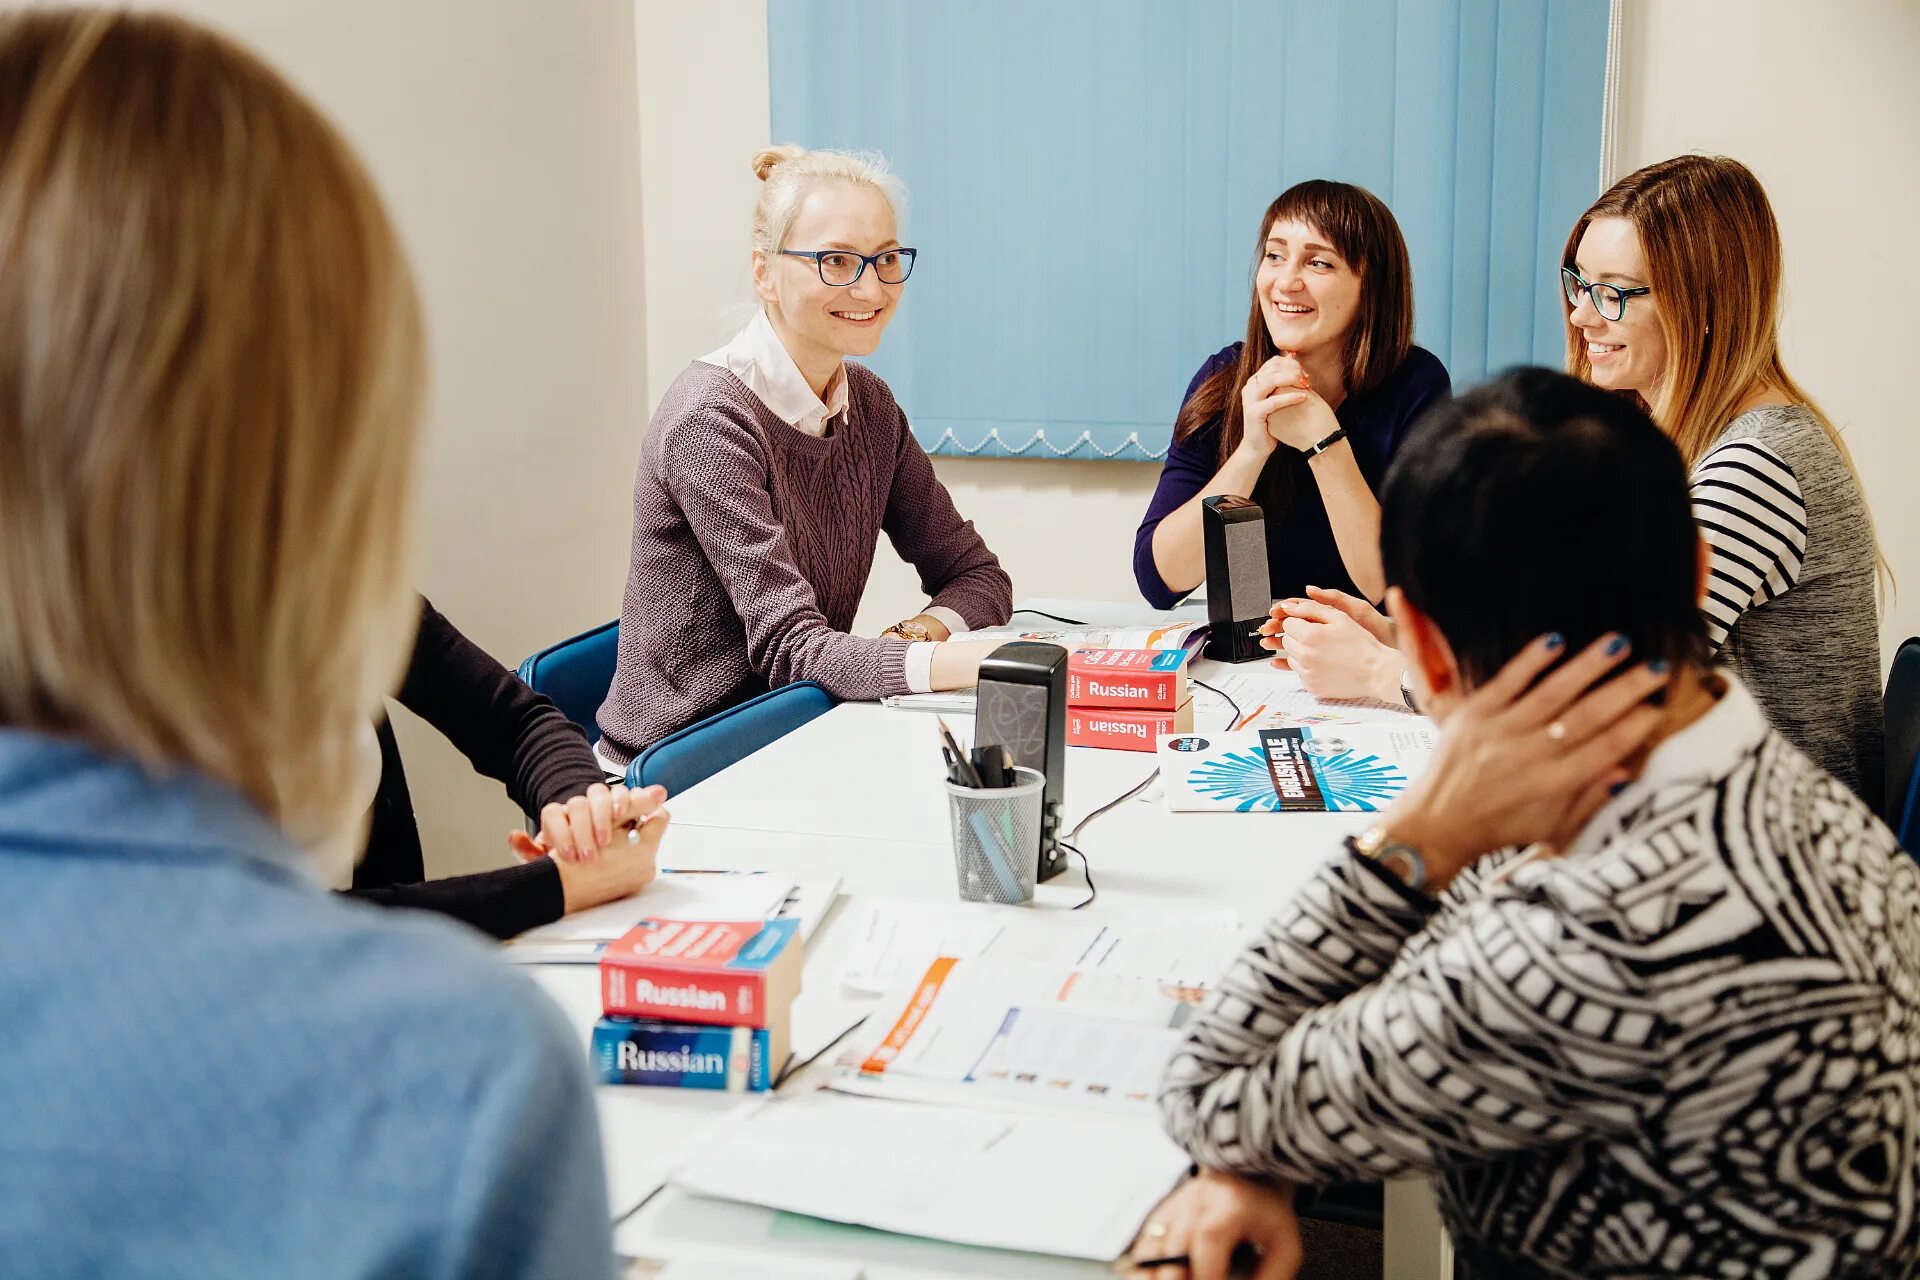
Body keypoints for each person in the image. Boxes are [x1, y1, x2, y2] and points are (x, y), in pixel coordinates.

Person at [0, 11, 614, 1276]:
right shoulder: (459, 1082)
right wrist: (552, 886)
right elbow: (330, 922)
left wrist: (580, 804)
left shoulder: (352, 611)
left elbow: (513, 714)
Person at [1140, 370, 1919, 1280]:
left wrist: (1420, 833)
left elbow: (1203, 1089)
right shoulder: (1791, 793)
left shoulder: (1587, 944)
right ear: (1695, 568)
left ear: (1421, 647)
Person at [1267, 156, 1887, 810]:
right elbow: (1567, 636)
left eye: (1614, 293)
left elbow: (1587, 700)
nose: (1583, 318)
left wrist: (1378, 672)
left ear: (1705, 303)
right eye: (1579, 284)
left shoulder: (1757, 462)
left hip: (1774, 852)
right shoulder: (1670, 443)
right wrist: (1411, 643)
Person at [595, 145, 1012, 763]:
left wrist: (915, 636)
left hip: (793, 731)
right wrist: (960, 659)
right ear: (764, 272)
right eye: (836, 261)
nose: (870, 287)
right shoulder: (710, 418)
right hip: (678, 770)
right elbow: (792, 650)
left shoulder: (868, 405)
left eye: (886, 259)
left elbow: (978, 576)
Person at [1132, 180, 1450, 612]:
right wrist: (1251, 451)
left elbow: (1400, 594)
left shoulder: (1417, 384)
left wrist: (1324, 444)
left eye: (1318, 263)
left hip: (1362, 655)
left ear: (1370, 286)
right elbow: (1159, 580)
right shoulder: (1224, 378)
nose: (1286, 281)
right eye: (1275, 256)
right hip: (1256, 658)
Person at [348, 595, 667, 940]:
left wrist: (582, 813)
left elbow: (519, 723)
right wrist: (556, 887)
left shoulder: (343, 589)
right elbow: (307, 922)